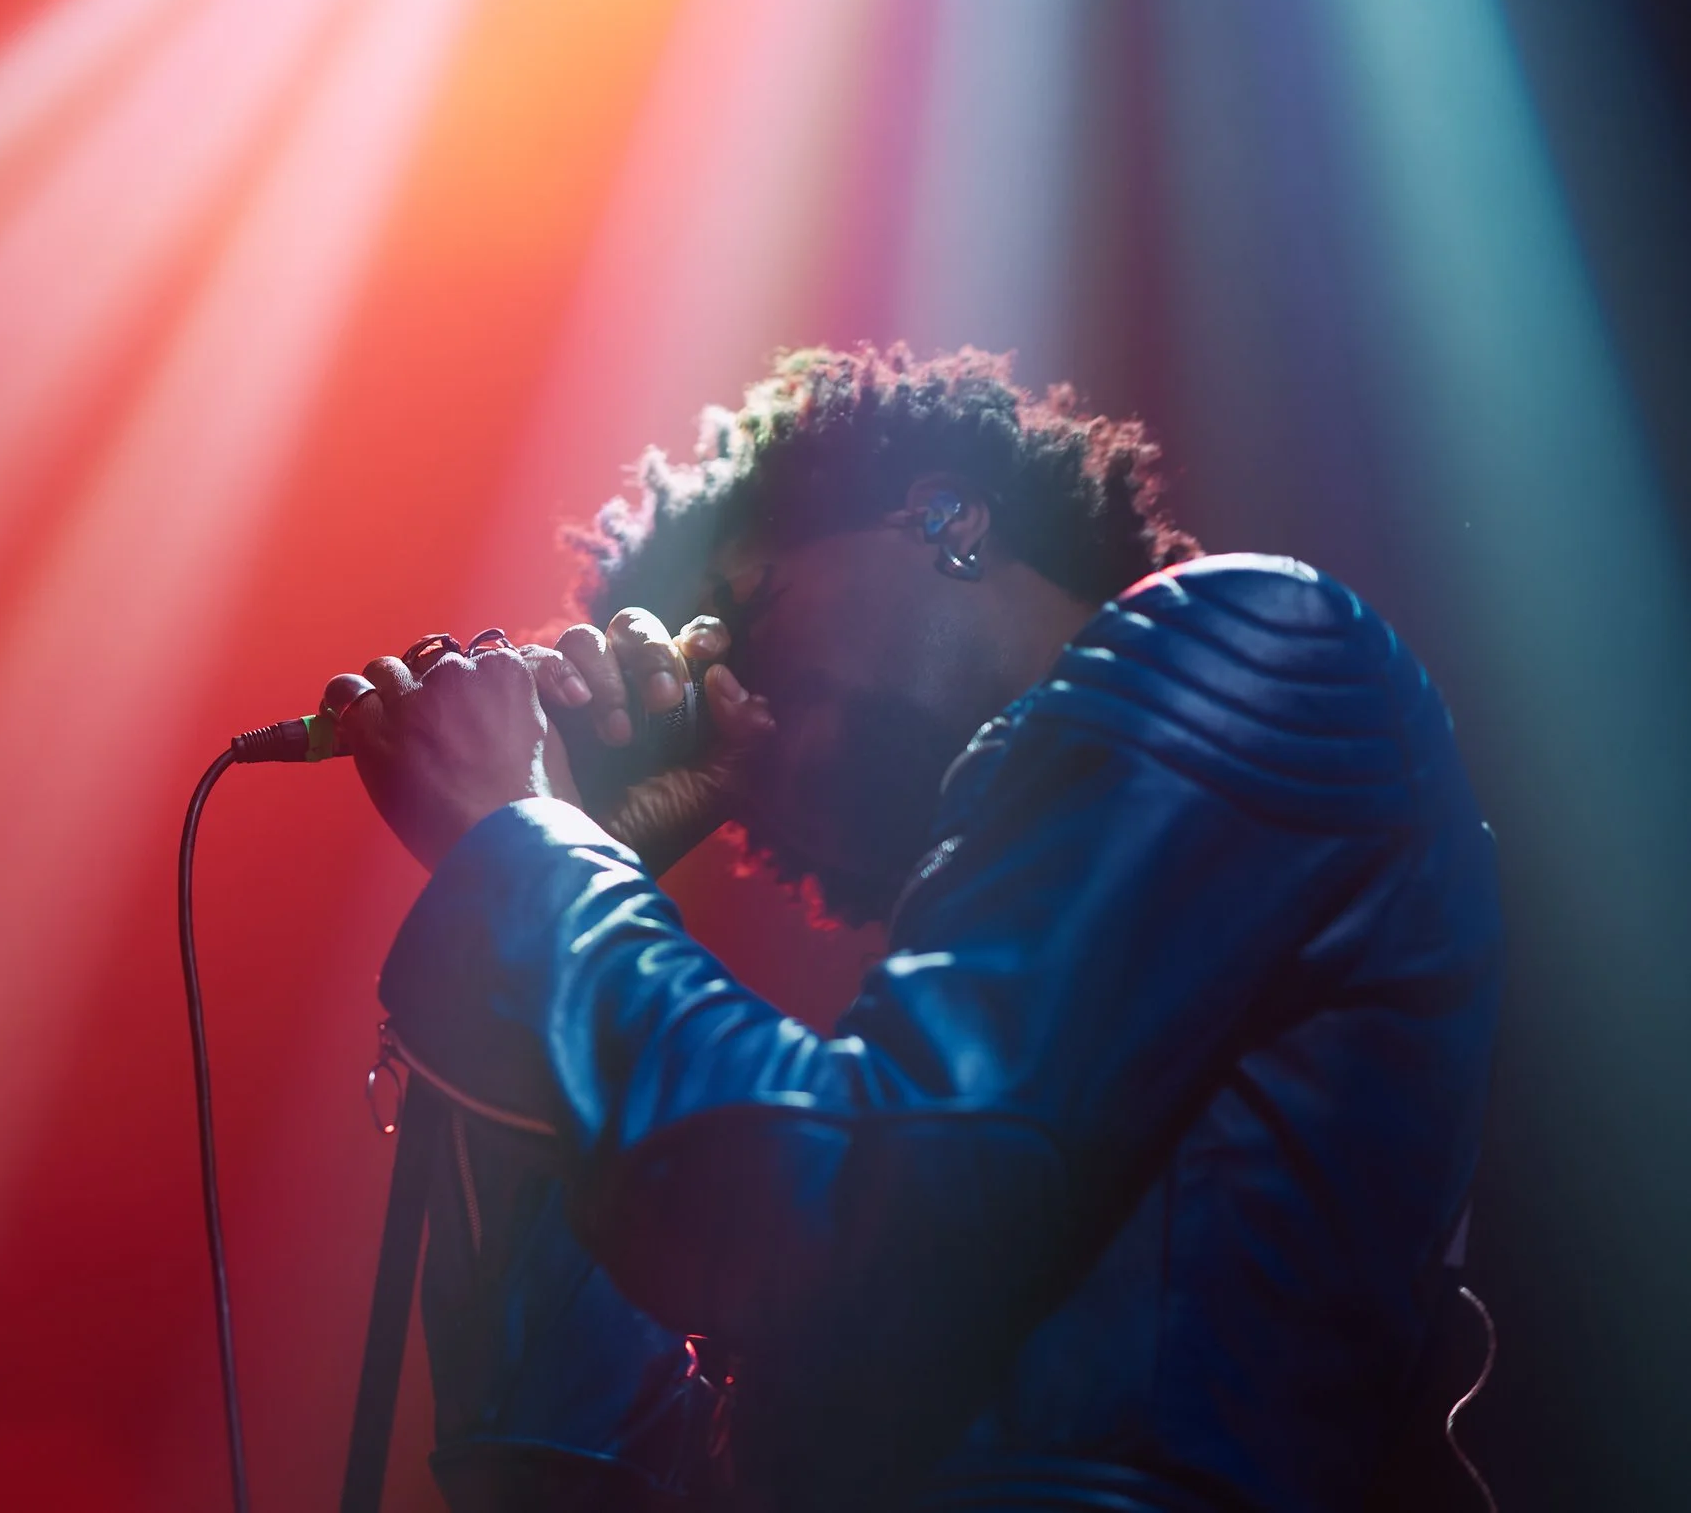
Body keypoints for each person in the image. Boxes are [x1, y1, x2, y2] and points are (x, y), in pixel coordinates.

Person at [331, 346, 1502, 1512]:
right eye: (700, 688)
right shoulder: (983, 976)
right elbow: (569, 1476)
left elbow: (850, 1206)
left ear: (942, 514)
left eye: (740, 617)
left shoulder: (1265, 642)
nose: (732, 702)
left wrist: (522, 841)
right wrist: (564, 854)